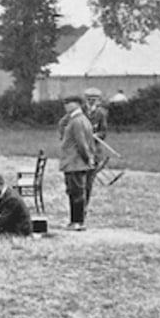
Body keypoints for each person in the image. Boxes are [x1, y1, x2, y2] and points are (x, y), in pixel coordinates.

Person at [60, 95, 96, 231]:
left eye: (69, 103)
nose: (66, 106)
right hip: (75, 162)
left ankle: (77, 222)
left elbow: (82, 143)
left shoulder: (77, 121)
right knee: (75, 192)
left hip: (74, 162)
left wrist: (88, 158)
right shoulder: (81, 119)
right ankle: (75, 221)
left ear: (77, 104)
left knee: (76, 193)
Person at [83, 87, 109, 205]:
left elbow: (103, 132)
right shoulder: (80, 112)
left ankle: (85, 205)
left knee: (88, 182)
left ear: (98, 100)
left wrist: (95, 135)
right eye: (89, 99)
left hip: (94, 150)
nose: (91, 101)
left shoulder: (101, 113)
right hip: (80, 150)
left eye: (94, 99)